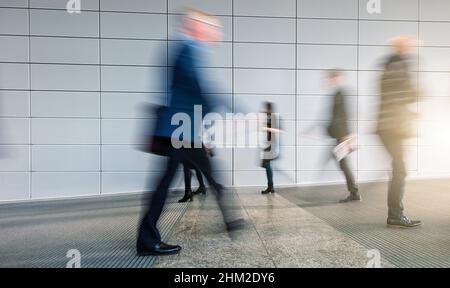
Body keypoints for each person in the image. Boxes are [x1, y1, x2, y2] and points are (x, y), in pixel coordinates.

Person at [136, 10, 245, 257]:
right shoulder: (187, 48)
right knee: (165, 184)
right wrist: (236, 111)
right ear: (197, 27)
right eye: (213, 27)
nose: (217, 33)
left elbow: (192, 95)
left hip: (185, 130)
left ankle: (230, 220)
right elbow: (200, 88)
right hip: (178, 130)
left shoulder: (187, 48)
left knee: (210, 176)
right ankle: (146, 240)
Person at [376, 35, 422, 228]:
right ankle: (395, 215)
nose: (411, 48)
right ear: (402, 47)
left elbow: (393, 95)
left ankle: (394, 213)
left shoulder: (388, 65)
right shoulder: (398, 64)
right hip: (392, 127)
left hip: (388, 126)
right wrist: (416, 94)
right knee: (400, 170)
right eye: (409, 45)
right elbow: (406, 92)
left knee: (398, 169)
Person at [326, 70, 361, 203]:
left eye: (330, 77)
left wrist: (346, 135)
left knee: (344, 164)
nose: (328, 80)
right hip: (340, 135)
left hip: (342, 136)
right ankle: (354, 192)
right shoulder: (337, 93)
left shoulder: (340, 94)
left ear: (336, 78)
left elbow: (343, 115)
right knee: (343, 163)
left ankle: (354, 192)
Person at [260, 102, 281, 194]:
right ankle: (270, 186)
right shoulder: (269, 117)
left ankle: (270, 186)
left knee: (266, 164)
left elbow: (277, 130)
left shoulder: (273, 117)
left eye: (266, 108)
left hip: (271, 144)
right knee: (265, 164)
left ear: (269, 109)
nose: (264, 110)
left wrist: (266, 128)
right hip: (268, 144)